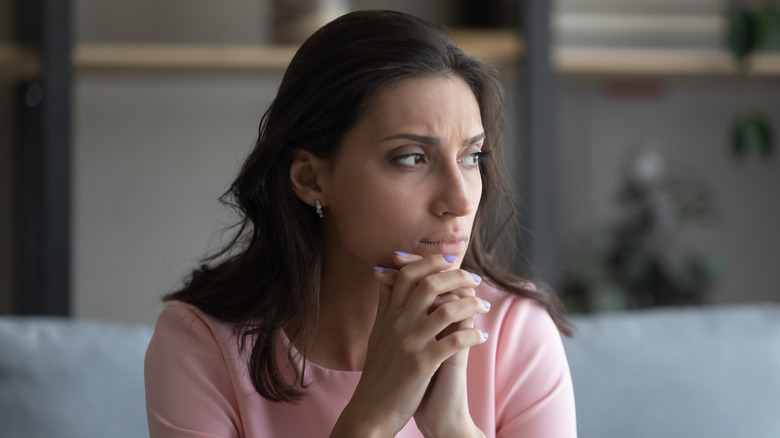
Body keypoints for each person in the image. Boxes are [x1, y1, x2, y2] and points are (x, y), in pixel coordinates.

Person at [144, 9, 577, 438]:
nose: (460, 199)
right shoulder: (201, 343)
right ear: (311, 179)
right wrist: (371, 419)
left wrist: (453, 428)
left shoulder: (515, 331)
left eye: (471, 157)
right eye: (412, 158)